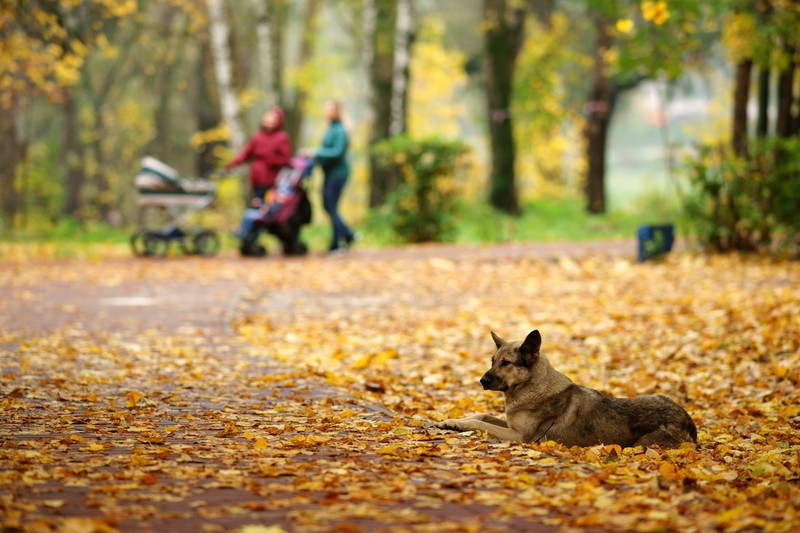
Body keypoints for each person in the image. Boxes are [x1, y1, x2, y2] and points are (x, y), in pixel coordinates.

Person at [304, 100, 356, 253]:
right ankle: (336, 242)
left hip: (338, 174)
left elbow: (337, 152)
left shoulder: (340, 130)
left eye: (330, 109)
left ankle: (346, 235)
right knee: (329, 206)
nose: (327, 111)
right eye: (326, 108)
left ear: (337, 111)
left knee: (330, 206)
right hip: (330, 173)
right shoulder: (331, 128)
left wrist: (315, 152)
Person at [227, 107, 292, 204]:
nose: (269, 121)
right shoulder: (258, 136)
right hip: (256, 181)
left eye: (273, 119)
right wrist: (234, 163)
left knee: (268, 208)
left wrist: (271, 160)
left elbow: (286, 159)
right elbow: (247, 152)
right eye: (267, 118)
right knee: (257, 205)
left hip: (272, 182)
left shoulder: (281, 137)